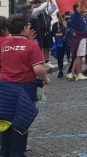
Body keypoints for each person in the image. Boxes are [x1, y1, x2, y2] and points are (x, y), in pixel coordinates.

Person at [0, 14, 49, 157]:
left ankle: (5, 151)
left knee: (6, 121)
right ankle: (17, 153)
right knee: (22, 121)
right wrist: (46, 79)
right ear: (24, 28)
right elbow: (38, 69)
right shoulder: (31, 45)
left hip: (4, 87)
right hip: (24, 87)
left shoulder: (3, 45)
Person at [67, 3, 87, 81]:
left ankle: (73, 73)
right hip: (80, 37)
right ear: (77, 8)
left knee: (78, 56)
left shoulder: (80, 16)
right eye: (82, 6)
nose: (84, 7)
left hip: (82, 37)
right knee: (80, 56)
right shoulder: (76, 15)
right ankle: (78, 74)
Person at [51, 14, 68, 78]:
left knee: (70, 56)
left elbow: (68, 32)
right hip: (59, 43)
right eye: (59, 17)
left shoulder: (67, 24)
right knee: (60, 57)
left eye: (62, 17)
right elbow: (53, 34)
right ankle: (60, 70)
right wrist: (61, 34)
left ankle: (70, 70)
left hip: (67, 42)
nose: (61, 19)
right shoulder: (55, 25)